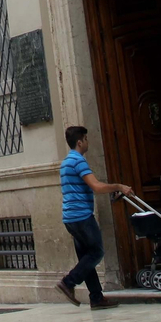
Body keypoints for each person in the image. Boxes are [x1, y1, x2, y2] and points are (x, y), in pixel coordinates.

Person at [56, 126, 130, 310]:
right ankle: (68, 282)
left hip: (70, 217)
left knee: (86, 258)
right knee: (96, 252)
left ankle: (96, 298)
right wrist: (119, 187)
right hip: (82, 216)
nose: (88, 142)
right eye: (86, 139)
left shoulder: (66, 162)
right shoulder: (78, 161)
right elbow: (96, 186)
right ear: (80, 142)